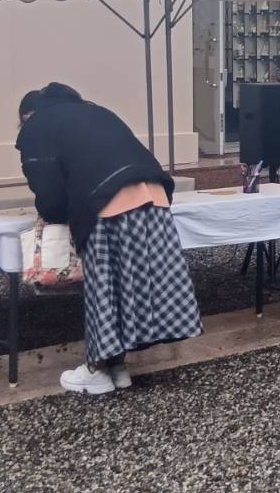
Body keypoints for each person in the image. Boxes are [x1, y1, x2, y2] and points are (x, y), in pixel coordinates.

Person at [16, 83, 203, 395]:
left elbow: (48, 192)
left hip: (106, 202)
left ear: (28, 115)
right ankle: (118, 365)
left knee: (104, 288)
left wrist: (56, 216)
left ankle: (97, 371)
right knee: (130, 286)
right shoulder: (95, 111)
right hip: (153, 195)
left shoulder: (38, 126)